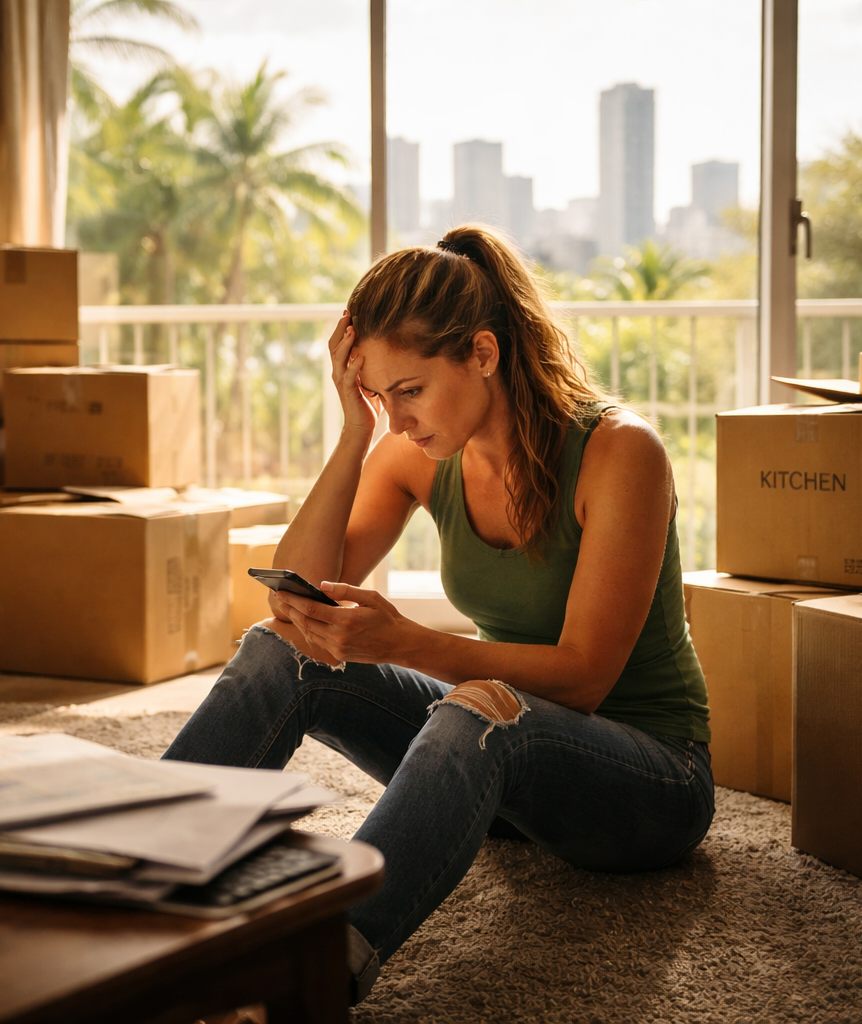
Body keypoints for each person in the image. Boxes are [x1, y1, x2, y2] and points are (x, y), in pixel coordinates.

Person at [163, 224, 713, 1003]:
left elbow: (586, 680)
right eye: (378, 396)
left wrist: (409, 644)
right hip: (507, 778)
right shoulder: (414, 449)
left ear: (482, 354)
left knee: (474, 710)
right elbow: (299, 598)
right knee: (277, 649)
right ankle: (135, 878)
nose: (397, 416)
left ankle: (315, 973)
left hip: (648, 781)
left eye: (409, 391)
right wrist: (355, 432)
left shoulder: (619, 452)